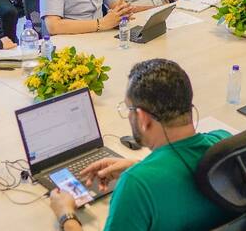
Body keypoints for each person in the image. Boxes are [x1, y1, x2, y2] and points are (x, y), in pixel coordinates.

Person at [48, 58, 231, 231]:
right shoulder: (226, 143)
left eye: (129, 109)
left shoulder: (136, 186)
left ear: (142, 118)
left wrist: (66, 216)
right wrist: (139, 166)